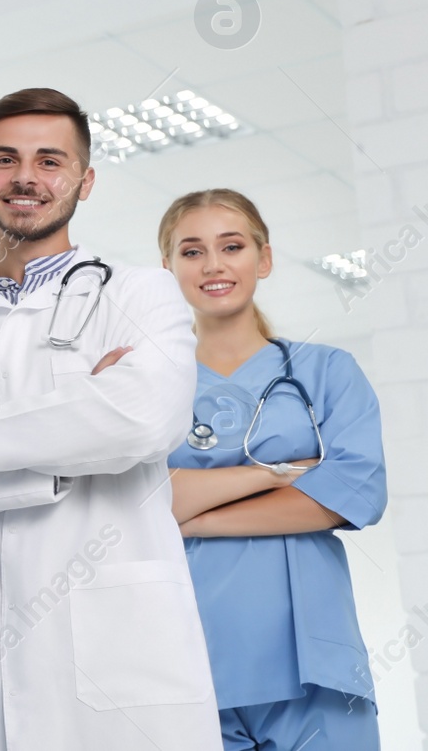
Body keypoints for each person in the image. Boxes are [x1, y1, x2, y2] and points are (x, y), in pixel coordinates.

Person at [0, 87, 220, 750]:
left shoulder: (138, 291)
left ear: (85, 178)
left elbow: (141, 421)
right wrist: (71, 438)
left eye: (50, 160)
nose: (26, 176)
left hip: (120, 660)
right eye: (5, 158)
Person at [160, 189, 387, 751]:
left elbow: (353, 493)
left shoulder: (328, 370)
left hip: (313, 659)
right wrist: (271, 474)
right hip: (184, 654)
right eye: (191, 251)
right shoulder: (148, 382)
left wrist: (195, 517)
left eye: (231, 246)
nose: (213, 265)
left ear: (263, 259)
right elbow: (145, 501)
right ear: (167, 269)